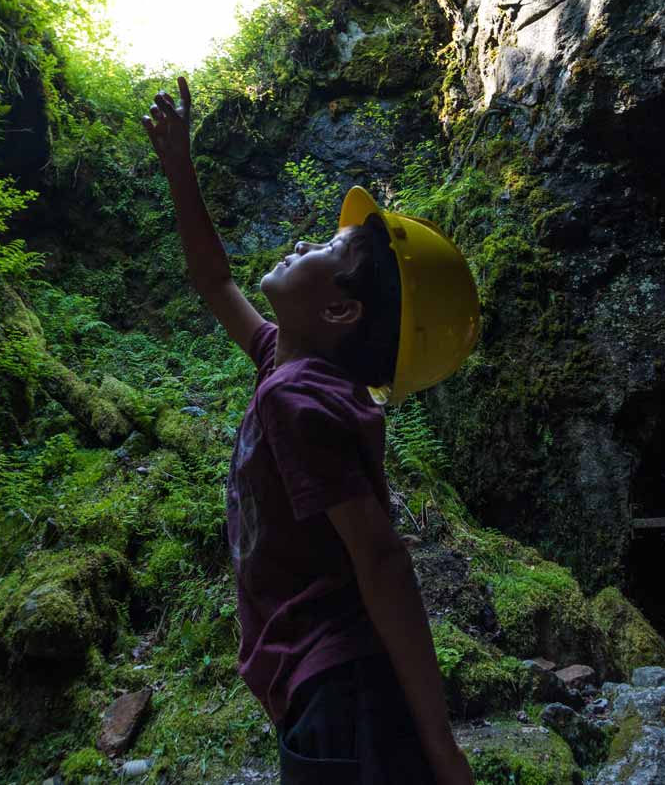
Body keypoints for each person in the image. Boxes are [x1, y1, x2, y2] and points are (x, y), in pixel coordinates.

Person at [142, 77, 479, 785]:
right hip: (325, 684)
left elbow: (382, 559)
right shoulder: (288, 365)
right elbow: (213, 283)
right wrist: (180, 169)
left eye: (326, 247)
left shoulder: (301, 396)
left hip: (342, 687)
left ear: (339, 313)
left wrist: (441, 744)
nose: (301, 241)